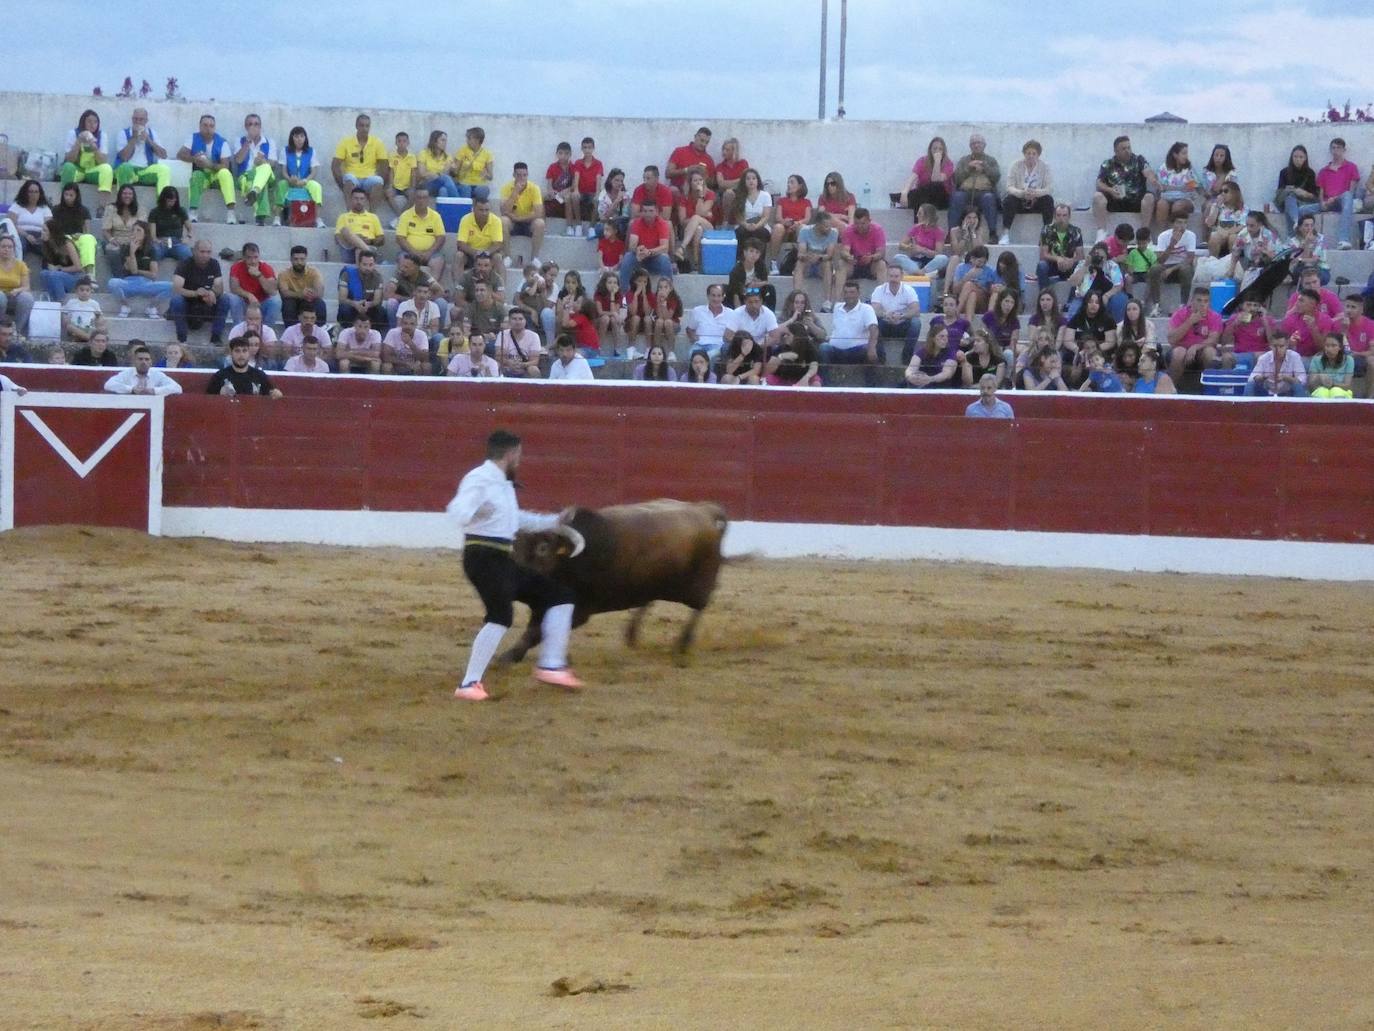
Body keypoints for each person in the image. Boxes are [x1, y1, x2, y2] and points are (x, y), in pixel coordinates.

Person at [446, 430, 586, 700]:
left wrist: (555, 521)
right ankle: (468, 684)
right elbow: (458, 510)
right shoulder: (480, 479)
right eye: (519, 456)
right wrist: (473, 512)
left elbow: (515, 520)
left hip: (501, 559)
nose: (519, 461)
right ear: (511, 454)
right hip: (482, 557)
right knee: (500, 616)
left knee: (560, 596)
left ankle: (551, 664)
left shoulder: (502, 484)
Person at [1092, 135, 1159, 242]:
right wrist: (1110, 190)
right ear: (1116, 151)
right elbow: (1099, 183)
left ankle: (1144, 234)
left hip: (1136, 200)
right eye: (1123, 149)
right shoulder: (1108, 164)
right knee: (1097, 196)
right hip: (1115, 200)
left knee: (1149, 197)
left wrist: (1151, 177)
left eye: (1129, 147)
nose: (1127, 151)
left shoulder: (1139, 160)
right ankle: (1102, 232)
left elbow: (1147, 171)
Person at [176, 114, 238, 223]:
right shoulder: (193, 138)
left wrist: (209, 164)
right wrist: (194, 159)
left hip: (216, 176)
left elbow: (225, 165)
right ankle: (193, 212)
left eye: (211, 126)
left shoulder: (222, 142)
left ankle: (231, 213)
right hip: (202, 176)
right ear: (200, 126)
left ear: (214, 127)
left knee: (225, 173)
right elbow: (180, 154)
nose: (208, 129)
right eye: (205, 125)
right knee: (196, 175)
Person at [170, 240, 231, 345]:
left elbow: (219, 288)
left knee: (225, 299)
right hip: (188, 304)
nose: (205, 255)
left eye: (208, 252)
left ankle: (216, 337)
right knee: (176, 300)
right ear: (194, 251)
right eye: (202, 251)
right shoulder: (184, 264)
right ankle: (182, 338)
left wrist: (212, 293)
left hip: (206, 304)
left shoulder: (214, 264)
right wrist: (196, 293)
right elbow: (177, 289)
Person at [107, 221, 170, 319]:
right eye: (133, 230)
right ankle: (125, 305)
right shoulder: (126, 248)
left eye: (139, 230)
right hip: (128, 283)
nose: (135, 233)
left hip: (146, 284)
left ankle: (152, 306)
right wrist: (132, 251)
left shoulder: (152, 250)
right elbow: (133, 271)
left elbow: (154, 275)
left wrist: (139, 272)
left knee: (172, 286)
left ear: (145, 234)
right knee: (112, 282)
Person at [230, 113, 281, 226]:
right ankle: (260, 215)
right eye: (250, 124)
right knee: (260, 182)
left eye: (256, 124)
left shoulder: (270, 142)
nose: (253, 127)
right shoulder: (240, 140)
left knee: (266, 167)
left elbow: (273, 164)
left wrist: (262, 162)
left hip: (266, 175)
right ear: (246, 127)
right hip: (246, 177)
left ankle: (255, 191)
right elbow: (238, 160)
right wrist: (247, 143)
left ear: (260, 126)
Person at [822, 280, 881, 376]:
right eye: (846, 292)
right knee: (823, 348)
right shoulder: (837, 307)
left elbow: (874, 329)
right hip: (836, 350)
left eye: (852, 292)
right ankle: (824, 386)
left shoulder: (866, 308)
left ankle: (871, 388)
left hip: (857, 351)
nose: (848, 295)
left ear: (858, 293)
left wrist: (872, 348)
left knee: (871, 351)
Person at [59, 109, 114, 213]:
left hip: (92, 171)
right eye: (89, 121)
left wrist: (94, 148)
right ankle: (65, 204)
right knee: (67, 167)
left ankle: (102, 207)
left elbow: (103, 161)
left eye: (95, 122)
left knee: (107, 168)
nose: (92, 125)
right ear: (83, 122)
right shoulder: (73, 133)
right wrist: (79, 141)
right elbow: (69, 159)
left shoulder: (102, 136)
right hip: (78, 170)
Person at [1000, 140, 1054, 244]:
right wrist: (1022, 193)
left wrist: (1036, 193)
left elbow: (1049, 188)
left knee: (1048, 200)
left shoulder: (1045, 166)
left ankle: (1047, 235)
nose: (1031, 156)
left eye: (1034, 153)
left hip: (1036, 200)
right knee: (1009, 200)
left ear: (1038, 155)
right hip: (1020, 200)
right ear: (1024, 154)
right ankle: (1005, 234)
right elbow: (1009, 186)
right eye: (1028, 153)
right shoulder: (1015, 165)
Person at [331, 113, 389, 210]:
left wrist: (383, 183)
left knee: (378, 182)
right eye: (361, 125)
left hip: (369, 178)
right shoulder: (346, 142)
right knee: (348, 179)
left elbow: (384, 166)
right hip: (353, 178)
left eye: (367, 126)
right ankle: (351, 215)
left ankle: (370, 216)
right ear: (356, 126)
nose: (364, 128)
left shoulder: (377, 143)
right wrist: (342, 186)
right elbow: (335, 166)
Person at [1166, 286, 1224, 383]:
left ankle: (1210, 390)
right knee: (1180, 352)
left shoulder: (1215, 316)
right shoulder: (1179, 314)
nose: (1202, 304)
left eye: (1206, 301)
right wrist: (1189, 322)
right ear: (1192, 301)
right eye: (1199, 300)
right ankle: (1170, 390)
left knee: (1210, 352)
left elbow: (1214, 340)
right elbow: (1171, 339)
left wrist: (1195, 347)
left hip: (1202, 352)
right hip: (1180, 351)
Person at [949, 134, 1001, 236]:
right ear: (970, 146)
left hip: (985, 192)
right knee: (957, 197)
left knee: (989, 198)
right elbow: (956, 179)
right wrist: (968, 168)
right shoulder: (964, 160)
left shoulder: (991, 160)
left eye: (979, 143)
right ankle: (951, 233)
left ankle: (993, 233)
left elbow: (996, 177)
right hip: (965, 192)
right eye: (973, 143)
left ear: (984, 145)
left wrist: (984, 168)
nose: (976, 145)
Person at [617, 199, 674, 293]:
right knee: (628, 257)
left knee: (665, 259)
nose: (648, 214)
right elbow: (632, 245)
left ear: (656, 212)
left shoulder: (663, 224)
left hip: (655, 258)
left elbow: (664, 247)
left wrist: (650, 252)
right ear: (642, 212)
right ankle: (624, 295)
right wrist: (638, 250)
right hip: (640, 257)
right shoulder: (636, 223)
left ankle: (668, 293)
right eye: (645, 211)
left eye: (651, 211)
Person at [1314, 138, 1362, 249]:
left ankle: (1343, 239)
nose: (1335, 150)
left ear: (1344, 150)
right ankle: (1293, 241)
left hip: (1343, 201)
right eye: (1333, 148)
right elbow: (1320, 192)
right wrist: (1322, 203)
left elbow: (1351, 191)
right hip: (1327, 203)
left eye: (1338, 148)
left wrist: (1334, 198)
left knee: (1347, 196)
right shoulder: (1323, 171)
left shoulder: (1351, 167)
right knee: (1302, 209)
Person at [1147, 210, 1197, 316]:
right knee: (1154, 269)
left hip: (1182, 266)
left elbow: (1190, 258)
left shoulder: (1191, 235)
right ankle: (1156, 304)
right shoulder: (1163, 236)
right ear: (1172, 224)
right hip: (1166, 265)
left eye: (1184, 223)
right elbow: (1160, 260)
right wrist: (1172, 244)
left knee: (1186, 269)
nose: (1182, 226)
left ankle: (1183, 305)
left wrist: (1172, 269)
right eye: (1179, 222)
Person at [113, 107, 171, 195]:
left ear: (146, 121)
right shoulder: (123, 133)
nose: (138, 122)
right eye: (135, 119)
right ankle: (122, 202)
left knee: (164, 169)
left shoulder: (152, 133)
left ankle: (162, 203)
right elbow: (124, 157)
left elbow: (163, 155)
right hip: (128, 169)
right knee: (125, 167)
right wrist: (134, 138)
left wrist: (149, 140)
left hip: (145, 171)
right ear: (132, 119)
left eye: (141, 119)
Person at [396, 184, 447, 282]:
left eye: (424, 198)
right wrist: (414, 252)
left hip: (431, 254)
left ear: (428, 200)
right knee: (403, 260)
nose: (421, 200)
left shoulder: (435, 216)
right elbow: (400, 238)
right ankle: (407, 290)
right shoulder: (405, 215)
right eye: (419, 198)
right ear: (414, 199)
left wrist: (429, 253)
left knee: (438, 261)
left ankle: (430, 291)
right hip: (409, 253)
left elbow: (441, 237)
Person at [499, 163, 546, 268]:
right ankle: (507, 257)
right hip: (513, 223)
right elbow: (504, 210)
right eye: (519, 175)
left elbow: (538, 212)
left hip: (529, 223)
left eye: (524, 175)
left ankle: (534, 258)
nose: (522, 178)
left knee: (540, 223)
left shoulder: (534, 188)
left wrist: (519, 218)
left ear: (527, 175)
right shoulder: (506, 188)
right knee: (502, 221)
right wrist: (515, 192)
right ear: (513, 175)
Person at [225, 242, 282, 328]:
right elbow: (234, 288)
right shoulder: (236, 267)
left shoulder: (266, 268)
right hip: (244, 303)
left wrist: (259, 276)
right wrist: (249, 295)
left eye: (256, 257)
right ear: (243, 257)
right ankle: (240, 330)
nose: (253, 261)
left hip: (261, 304)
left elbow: (272, 291)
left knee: (276, 301)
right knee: (232, 298)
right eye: (249, 258)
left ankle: (265, 331)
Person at [794, 210, 840, 311]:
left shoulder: (833, 232)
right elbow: (800, 254)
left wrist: (818, 257)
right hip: (807, 263)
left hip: (821, 264)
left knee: (827, 264)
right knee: (799, 263)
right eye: (826, 226)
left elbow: (829, 255)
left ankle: (827, 301)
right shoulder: (804, 231)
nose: (829, 229)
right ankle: (796, 297)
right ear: (818, 224)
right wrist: (808, 257)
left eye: (830, 226)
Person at [870, 265, 922, 355]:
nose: (893, 279)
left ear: (902, 277)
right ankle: (880, 356)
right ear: (887, 276)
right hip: (885, 323)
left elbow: (916, 310)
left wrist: (902, 316)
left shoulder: (909, 290)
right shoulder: (878, 290)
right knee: (872, 324)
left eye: (896, 276)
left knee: (916, 323)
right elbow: (874, 310)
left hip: (902, 324)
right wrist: (886, 314)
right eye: (891, 276)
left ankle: (907, 356)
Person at [890, 203, 949, 281]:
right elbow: (901, 245)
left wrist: (922, 250)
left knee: (943, 258)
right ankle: (921, 274)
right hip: (915, 262)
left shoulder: (938, 231)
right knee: (897, 257)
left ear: (927, 216)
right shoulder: (916, 228)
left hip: (930, 263)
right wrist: (909, 247)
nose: (917, 215)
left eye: (920, 213)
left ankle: (920, 273)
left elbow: (938, 253)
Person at [207, 337, 283, 397]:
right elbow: (208, 400)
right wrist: (219, 394)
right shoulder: (220, 376)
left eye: (244, 351)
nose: (241, 355)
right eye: (237, 351)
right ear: (231, 353)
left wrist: (277, 394)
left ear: (249, 353)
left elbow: (274, 395)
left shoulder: (260, 375)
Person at [900, 136, 955, 219]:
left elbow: (935, 179)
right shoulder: (922, 161)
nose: (937, 151)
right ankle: (919, 226)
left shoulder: (948, 164)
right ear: (930, 150)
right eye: (935, 148)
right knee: (921, 198)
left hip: (941, 198)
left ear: (944, 151)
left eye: (940, 149)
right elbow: (913, 177)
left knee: (935, 186)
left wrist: (937, 161)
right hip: (924, 196)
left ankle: (919, 224)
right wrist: (904, 192)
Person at [280, 126, 327, 223]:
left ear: (305, 138)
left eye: (302, 136)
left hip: (305, 181)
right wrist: (289, 180)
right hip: (290, 181)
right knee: (281, 184)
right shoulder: (285, 151)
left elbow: (314, 171)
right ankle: (277, 218)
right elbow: (283, 171)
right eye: (296, 137)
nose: (299, 139)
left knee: (316, 186)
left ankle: (318, 218)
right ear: (292, 138)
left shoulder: (311, 151)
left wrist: (305, 181)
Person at [1156, 141, 1207, 229]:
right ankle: (1162, 235)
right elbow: (1161, 186)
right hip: (1167, 197)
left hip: (1185, 199)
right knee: (1161, 204)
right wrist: (1181, 188)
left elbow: (1196, 184)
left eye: (1186, 153)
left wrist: (1191, 187)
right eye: (1183, 153)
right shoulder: (1164, 168)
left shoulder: (1188, 168)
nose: (1186, 156)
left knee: (1177, 205)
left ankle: (1175, 233)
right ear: (1175, 155)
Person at [675, 169, 718, 271]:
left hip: (708, 227)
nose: (698, 182)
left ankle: (682, 247)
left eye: (700, 180)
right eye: (695, 180)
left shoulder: (710, 194)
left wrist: (700, 196)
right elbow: (682, 221)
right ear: (690, 183)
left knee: (696, 217)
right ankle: (696, 263)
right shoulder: (684, 197)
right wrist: (703, 215)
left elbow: (700, 212)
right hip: (690, 229)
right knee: (698, 229)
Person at [103, 342, 183, 395]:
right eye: (140, 359)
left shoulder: (157, 375)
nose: (144, 362)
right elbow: (109, 384)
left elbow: (177, 388)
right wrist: (131, 389)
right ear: (134, 361)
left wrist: (154, 391)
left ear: (151, 362)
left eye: (147, 359)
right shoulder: (127, 373)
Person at [51, 183, 97, 275]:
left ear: (76, 196)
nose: (68, 197)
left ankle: (90, 274)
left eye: (71, 195)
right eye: (66, 194)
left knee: (88, 238)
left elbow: (87, 232)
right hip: (62, 240)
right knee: (67, 239)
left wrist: (81, 235)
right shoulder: (55, 210)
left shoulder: (84, 210)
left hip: (78, 240)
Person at [1036, 203, 1084, 290]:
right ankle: (1044, 295)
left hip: (1069, 265)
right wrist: (1058, 259)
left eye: (1064, 215)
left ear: (1069, 216)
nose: (1061, 218)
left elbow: (1081, 256)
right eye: (1058, 215)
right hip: (1052, 265)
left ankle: (1073, 299)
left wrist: (1071, 261)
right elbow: (1043, 255)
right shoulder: (1046, 230)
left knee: (1082, 267)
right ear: (1054, 216)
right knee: (1042, 265)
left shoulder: (1076, 231)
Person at [277, 245, 328, 327]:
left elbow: (320, 293)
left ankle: (319, 331)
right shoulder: (284, 274)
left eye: (302, 259)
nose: (299, 262)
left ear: (306, 259)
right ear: (291, 259)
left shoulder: (314, 272)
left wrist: (309, 294)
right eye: (296, 259)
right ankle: (290, 332)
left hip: (309, 300)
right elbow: (284, 293)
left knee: (320, 303)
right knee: (288, 303)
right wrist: (300, 294)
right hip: (293, 301)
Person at [770, 174, 812, 272]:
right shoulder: (782, 201)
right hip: (785, 229)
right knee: (778, 227)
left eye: (792, 182)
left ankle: (797, 263)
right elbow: (778, 217)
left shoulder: (806, 202)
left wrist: (797, 223)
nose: (789, 185)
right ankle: (773, 263)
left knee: (802, 228)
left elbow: (807, 218)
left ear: (800, 186)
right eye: (788, 182)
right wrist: (785, 222)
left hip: (798, 228)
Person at [456, 191, 505, 274]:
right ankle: (459, 286)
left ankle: (501, 286)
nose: (484, 213)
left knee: (498, 257)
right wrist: (475, 253)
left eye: (487, 210)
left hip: (489, 255)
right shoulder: (465, 219)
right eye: (481, 210)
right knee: (458, 256)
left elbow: (498, 244)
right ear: (474, 209)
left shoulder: (496, 221)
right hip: (470, 255)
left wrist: (486, 253)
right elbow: (461, 243)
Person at [1244, 332, 1307, 397]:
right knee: (1250, 385)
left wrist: (1285, 378)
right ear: (1270, 346)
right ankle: (1246, 406)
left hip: (1288, 393)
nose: (1278, 350)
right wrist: (1264, 377)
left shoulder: (1295, 356)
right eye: (1274, 346)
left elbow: (1302, 380)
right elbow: (1252, 378)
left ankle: (1301, 407)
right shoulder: (1264, 358)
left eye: (1281, 346)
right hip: (1267, 392)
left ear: (1287, 345)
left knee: (1298, 386)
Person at [335, 187, 386, 264]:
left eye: (362, 199)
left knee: (360, 250)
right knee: (345, 230)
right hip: (350, 249)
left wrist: (370, 241)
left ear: (365, 201)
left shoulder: (373, 217)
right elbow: (337, 238)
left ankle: (366, 251)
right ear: (351, 200)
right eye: (356, 198)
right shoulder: (343, 217)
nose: (359, 201)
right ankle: (370, 253)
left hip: (369, 245)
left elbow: (382, 239)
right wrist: (355, 238)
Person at [1221, 296, 1275, 371]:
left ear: (1260, 307)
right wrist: (1235, 324)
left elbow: (1273, 343)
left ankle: (1255, 381)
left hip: (1259, 353)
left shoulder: (1267, 320)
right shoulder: (1235, 318)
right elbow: (1224, 341)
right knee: (1226, 357)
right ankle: (1227, 381)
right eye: (1248, 305)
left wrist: (1265, 322)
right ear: (1242, 306)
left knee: (1260, 357)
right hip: (1239, 353)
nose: (1252, 308)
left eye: (1255, 305)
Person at [1279, 287, 1336, 357]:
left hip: (1317, 359)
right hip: (1295, 357)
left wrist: (1313, 328)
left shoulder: (1326, 321)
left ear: (1313, 304)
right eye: (1297, 300)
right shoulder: (1290, 319)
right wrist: (1290, 344)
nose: (1296, 304)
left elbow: (1324, 349)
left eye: (1301, 301)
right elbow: (1279, 345)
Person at [723, 286, 780, 352]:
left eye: (756, 301)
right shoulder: (737, 313)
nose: (753, 305)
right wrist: (743, 345)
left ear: (761, 301)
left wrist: (756, 347)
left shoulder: (768, 314)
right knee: (725, 348)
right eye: (750, 302)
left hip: (761, 347)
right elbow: (727, 336)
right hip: (741, 347)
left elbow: (775, 337)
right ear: (745, 302)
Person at [838, 208, 887, 284]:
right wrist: (848, 257)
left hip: (871, 265)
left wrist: (871, 257)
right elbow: (845, 251)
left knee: (881, 264)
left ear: (869, 221)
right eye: (856, 223)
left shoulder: (877, 230)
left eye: (863, 223)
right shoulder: (848, 230)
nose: (859, 226)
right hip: (854, 264)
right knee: (841, 264)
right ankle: (837, 296)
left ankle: (883, 294)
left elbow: (881, 253)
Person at [686, 282, 734, 358]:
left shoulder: (731, 313)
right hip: (700, 344)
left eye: (719, 296)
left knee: (709, 356)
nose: (716, 299)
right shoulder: (697, 310)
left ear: (723, 297)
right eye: (713, 295)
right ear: (708, 296)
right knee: (691, 355)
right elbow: (689, 329)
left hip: (719, 346)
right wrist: (693, 337)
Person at [146, 186, 193, 263]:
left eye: (174, 200)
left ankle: (185, 274)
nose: (172, 203)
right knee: (155, 251)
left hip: (177, 242)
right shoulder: (154, 212)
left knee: (186, 253)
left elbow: (190, 228)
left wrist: (188, 237)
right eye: (169, 200)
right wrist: (156, 240)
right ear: (164, 199)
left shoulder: (181, 211)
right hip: (161, 242)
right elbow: (153, 235)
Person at [4, 180, 53, 253]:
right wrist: (27, 235)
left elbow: (49, 226)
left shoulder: (45, 208)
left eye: (36, 192)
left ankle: (45, 264)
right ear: (25, 193)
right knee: (20, 245)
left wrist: (42, 237)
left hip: (39, 235)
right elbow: (11, 224)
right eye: (30, 192)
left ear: (40, 194)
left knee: (47, 247)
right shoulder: (16, 206)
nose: (33, 194)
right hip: (20, 234)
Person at [666, 127, 716, 197]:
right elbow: (668, 174)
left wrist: (705, 176)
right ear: (695, 137)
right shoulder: (680, 151)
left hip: (698, 192)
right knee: (673, 190)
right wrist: (687, 170)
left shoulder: (709, 159)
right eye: (702, 140)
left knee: (710, 194)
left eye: (707, 142)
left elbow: (713, 183)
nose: (704, 144)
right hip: (679, 190)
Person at [950, 244, 998, 318]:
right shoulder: (961, 268)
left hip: (982, 302)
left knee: (970, 285)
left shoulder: (990, 271)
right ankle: (968, 323)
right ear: (972, 258)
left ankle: (956, 312)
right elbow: (955, 290)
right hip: (964, 299)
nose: (982, 264)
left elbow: (990, 293)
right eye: (979, 261)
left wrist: (978, 286)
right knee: (972, 294)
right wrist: (968, 276)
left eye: (984, 262)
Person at [491, 308, 542, 378]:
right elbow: (498, 356)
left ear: (525, 321)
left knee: (534, 369)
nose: (517, 322)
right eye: (514, 319)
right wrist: (509, 363)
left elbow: (535, 361)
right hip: (507, 367)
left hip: (525, 368)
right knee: (495, 365)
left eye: (520, 319)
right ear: (509, 321)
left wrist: (522, 365)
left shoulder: (534, 336)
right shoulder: (502, 334)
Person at [725, 238, 774, 310]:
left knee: (770, 289)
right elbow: (735, 293)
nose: (754, 255)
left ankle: (769, 312)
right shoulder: (737, 270)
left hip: (756, 291)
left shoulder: (761, 265)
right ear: (745, 252)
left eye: (757, 252)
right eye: (751, 251)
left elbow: (765, 281)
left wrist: (755, 285)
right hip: (743, 293)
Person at [904, 324, 958, 388]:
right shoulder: (922, 351)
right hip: (921, 385)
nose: (945, 339)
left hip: (939, 387)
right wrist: (910, 377)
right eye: (942, 336)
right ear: (933, 338)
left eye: (947, 336)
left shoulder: (950, 353)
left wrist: (930, 379)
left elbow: (946, 374)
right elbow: (911, 368)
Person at [570, 137, 604, 236]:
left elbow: (598, 179)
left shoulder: (598, 163)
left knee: (598, 200)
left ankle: (592, 228)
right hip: (581, 192)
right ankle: (578, 225)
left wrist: (598, 193)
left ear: (593, 148)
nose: (587, 150)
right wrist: (576, 190)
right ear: (582, 149)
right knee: (574, 196)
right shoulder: (578, 163)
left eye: (589, 147)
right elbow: (576, 176)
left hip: (592, 192)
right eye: (585, 147)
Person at [0, 237, 35, 334]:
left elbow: (26, 287)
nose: (6, 249)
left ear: (14, 249)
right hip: (0, 295)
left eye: (9, 247)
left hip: (14, 295)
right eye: (3, 246)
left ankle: (17, 331)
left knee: (27, 298)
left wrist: (17, 291)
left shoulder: (21, 265)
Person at [1306, 331, 1355, 398]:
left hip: (1341, 390)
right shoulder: (1316, 360)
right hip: (1321, 389)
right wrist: (1319, 377)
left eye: (1333, 346)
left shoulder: (1349, 360)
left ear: (1340, 347)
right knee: (1322, 392)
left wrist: (1332, 383)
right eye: (1327, 346)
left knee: (1336, 391)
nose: (1329, 349)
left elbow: (1347, 385)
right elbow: (1311, 385)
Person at [1204, 181, 1247, 258]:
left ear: (1234, 193)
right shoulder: (1216, 206)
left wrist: (1227, 233)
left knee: (1233, 238)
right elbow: (1209, 223)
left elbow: (1243, 225)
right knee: (1214, 237)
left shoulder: (1243, 208)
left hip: (1235, 233)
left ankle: (1232, 263)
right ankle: (1213, 262)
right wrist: (1217, 206)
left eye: (1226, 191)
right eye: (1221, 191)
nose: (1222, 194)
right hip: (1220, 233)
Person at [381, 308, 429, 375]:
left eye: (412, 324)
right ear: (401, 323)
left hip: (415, 365)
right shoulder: (392, 332)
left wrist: (410, 343)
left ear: (416, 324)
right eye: (405, 323)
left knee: (426, 366)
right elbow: (385, 356)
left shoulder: (422, 335)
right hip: (397, 365)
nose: (408, 327)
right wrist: (405, 363)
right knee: (386, 366)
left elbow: (425, 358)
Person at [1287, 213, 1330, 285]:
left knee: (1314, 278)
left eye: (1312, 225)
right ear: (1300, 228)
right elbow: (1293, 260)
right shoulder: (1293, 242)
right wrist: (1307, 243)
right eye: (1306, 225)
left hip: (1319, 268)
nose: (1310, 228)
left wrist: (1300, 259)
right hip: (1300, 269)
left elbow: (1314, 260)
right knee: (1303, 274)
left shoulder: (1320, 239)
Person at [453, 127, 495, 198]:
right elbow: (455, 172)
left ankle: (480, 209)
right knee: (466, 189)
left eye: (469, 138)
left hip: (479, 184)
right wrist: (457, 169)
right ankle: (465, 209)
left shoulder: (487, 154)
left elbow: (490, 177)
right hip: (464, 184)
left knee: (483, 190)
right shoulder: (462, 151)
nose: (467, 141)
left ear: (477, 140)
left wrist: (485, 175)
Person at [715, 137, 748, 225]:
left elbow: (746, 180)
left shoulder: (743, 163)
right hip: (725, 195)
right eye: (723, 149)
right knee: (729, 193)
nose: (724, 152)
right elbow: (721, 184)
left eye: (727, 150)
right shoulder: (720, 166)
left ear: (734, 151)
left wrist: (728, 183)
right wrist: (738, 181)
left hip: (741, 193)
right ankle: (725, 222)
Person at [387, 131, 417, 223]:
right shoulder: (392, 156)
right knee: (388, 193)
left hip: (407, 186)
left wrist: (412, 187)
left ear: (408, 143)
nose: (402, 143)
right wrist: (390, 186)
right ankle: (400, 215)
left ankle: (402, 217)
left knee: (413, 195)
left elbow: (413, 173)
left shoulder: (412, 157)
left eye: (404, 141)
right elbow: (391, 172)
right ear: (396, 143)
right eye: (399, 141)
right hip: (396, 186)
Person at [62, 277, 103, 343]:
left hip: (88, 328)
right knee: (69, 327)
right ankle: (89, 339)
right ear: (76, 291)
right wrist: (66, 319)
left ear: (91, 291)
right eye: (82, 290)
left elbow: (99, 317)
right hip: (75, 328)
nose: (84, 292)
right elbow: (65, 313)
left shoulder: (94, 303)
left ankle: (83, 338)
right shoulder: (71, 302)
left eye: (87, 290)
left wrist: (98, 317)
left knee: (100, 329)